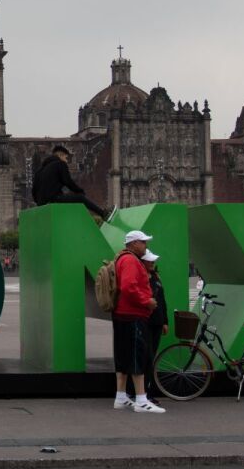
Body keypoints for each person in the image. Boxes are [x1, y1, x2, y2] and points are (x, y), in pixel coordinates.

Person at [111, 230, 164, 413]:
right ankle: (141, 400)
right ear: (133, 243)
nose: (145, 245)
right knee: (137, 356)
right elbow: (129, 287)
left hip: (122, 314)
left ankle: (121, 397)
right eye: (143, 242)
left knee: (123, 356)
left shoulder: (121, 258)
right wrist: (146, 301)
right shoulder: (131, 261)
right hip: (133, 315)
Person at [130, 249, 168, 403]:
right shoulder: (139, 278)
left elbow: (162, 301)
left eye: (153, 260)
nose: (152, 263)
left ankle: (144, 391)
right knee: (144, 357)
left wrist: (165, 321)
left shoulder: (156, 277)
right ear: (142, 262)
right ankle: (140, 393)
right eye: (149, 261)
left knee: (150, 358)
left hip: (156, 323)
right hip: (143, 321)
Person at [31, 145, 107, 218]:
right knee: (80, 198)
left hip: (41, 204)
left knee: (67, 196)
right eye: (66, 158)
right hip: (53, 200)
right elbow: (68, 182)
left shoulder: (39, 171)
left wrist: (40, 202)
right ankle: (103, 214)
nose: (67, 161)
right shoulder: (60, 164)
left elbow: (34, 191)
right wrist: (80, 191)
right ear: (60, 155)